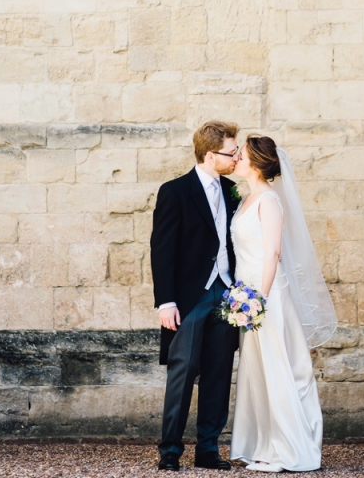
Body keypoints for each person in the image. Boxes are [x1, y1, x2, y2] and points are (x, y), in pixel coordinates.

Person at [230, 136, 337, 473]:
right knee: (258, 372)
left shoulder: (269, 201)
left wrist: (256, 300)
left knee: (279, 369)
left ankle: (288, 450)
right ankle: (264, 444)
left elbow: (273, 252)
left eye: (241, 155)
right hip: (246, 293)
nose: (235, 158)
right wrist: (240, 296)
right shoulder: (246, 199)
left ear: (258, 164)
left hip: (267, 295)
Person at [150, 121, 241, 472]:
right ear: (208, 154)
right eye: (230, 152)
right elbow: (162, 249)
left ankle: (208, 449)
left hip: (226, 294)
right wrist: (166, 301)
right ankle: (170, 450)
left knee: (218, 373)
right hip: (189, 299)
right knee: (182, 372)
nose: (236, 157)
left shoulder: (233, 190)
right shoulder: (175, 191)